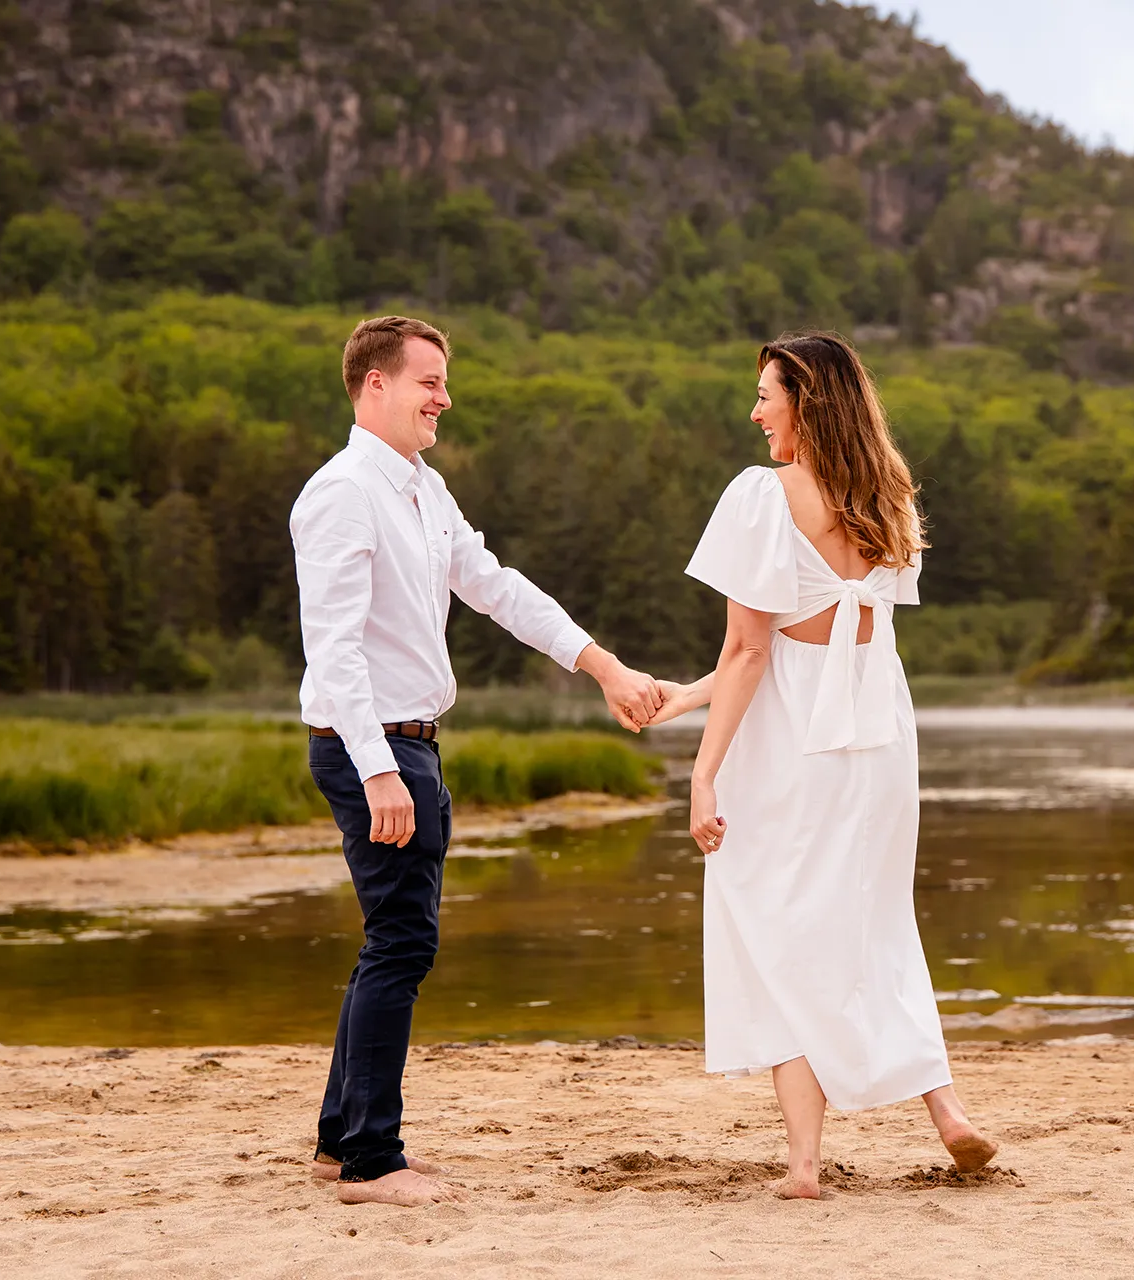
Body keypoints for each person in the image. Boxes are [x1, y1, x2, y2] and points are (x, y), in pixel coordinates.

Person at [291, 315, 664, 1207]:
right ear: (374, 384)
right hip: (369, 743)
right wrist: (378, 768)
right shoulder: (343, 491)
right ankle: (372, 1163)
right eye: (429, 381)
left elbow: (495, 586)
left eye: (444, 382)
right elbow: (333, 647)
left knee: (391, 941)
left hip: (408, 743)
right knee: (402, 943)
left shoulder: (424, 488)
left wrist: (602, 665)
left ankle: (342, 1144)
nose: (444, 398)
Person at [648, 331, 999, 1199]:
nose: (756, 409)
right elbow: (824, 636)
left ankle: (804, 1165)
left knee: (773, 930)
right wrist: (680, 696)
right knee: (874, 923)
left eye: (767, 392)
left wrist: (701, 772)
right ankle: (946, 1112)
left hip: (794, 748)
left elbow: (753, 651)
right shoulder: (883, 497)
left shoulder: (763, 497)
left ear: (806, 403)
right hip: (876, 741)